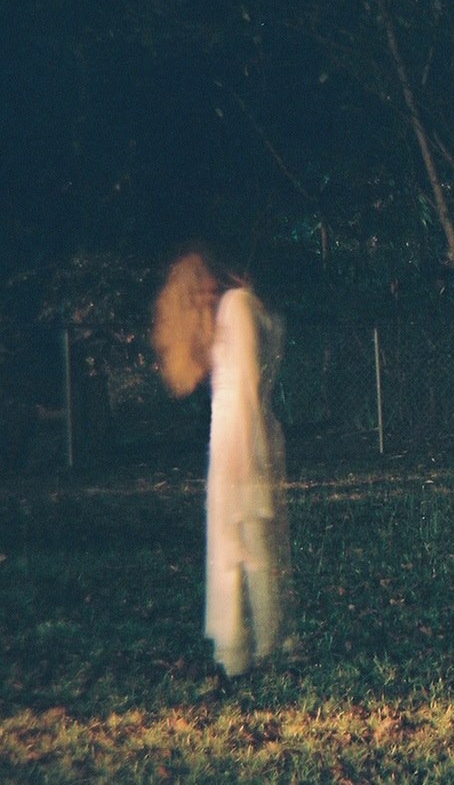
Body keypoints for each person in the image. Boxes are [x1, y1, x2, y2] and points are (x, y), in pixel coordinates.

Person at [152, 252, 295, 677]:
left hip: (240, 437)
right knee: (254, 549)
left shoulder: (237, 307)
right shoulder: (240, 306)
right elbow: (249, 387)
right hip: (242, 439)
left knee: (246, 548)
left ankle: (247, 647)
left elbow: (248, 387)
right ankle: (264, 644)